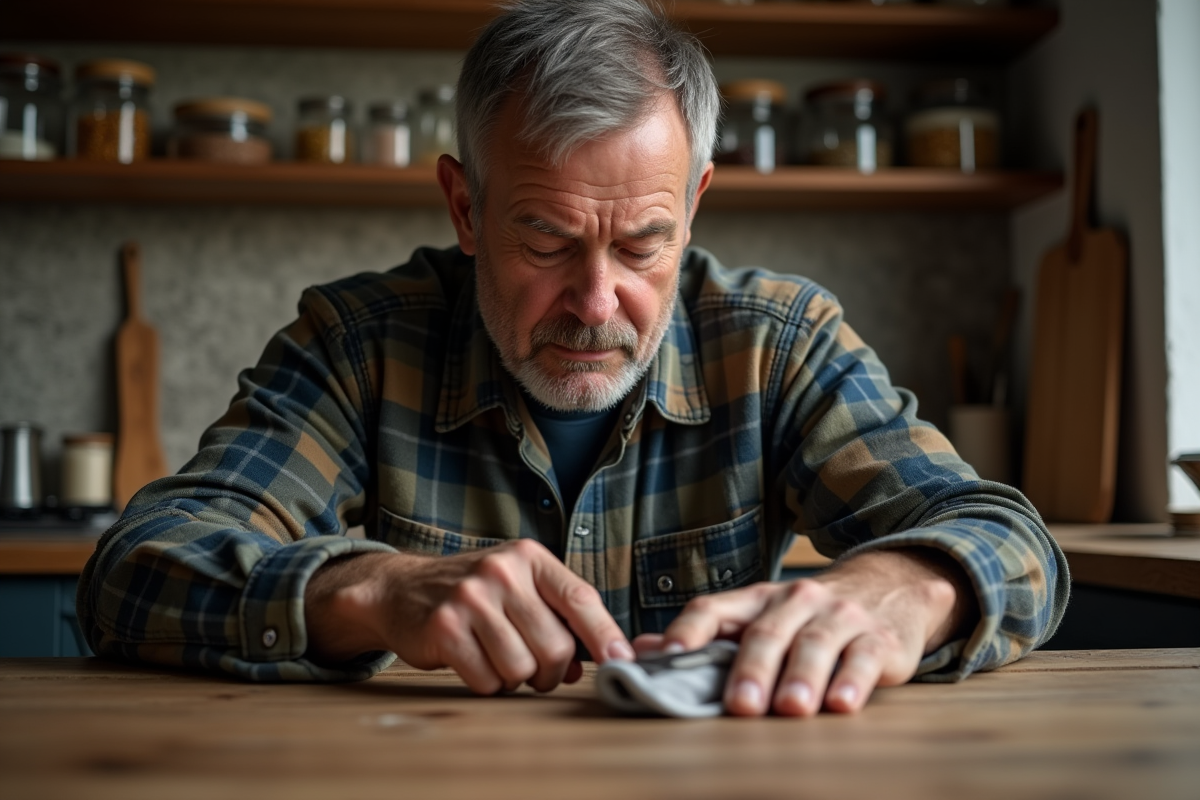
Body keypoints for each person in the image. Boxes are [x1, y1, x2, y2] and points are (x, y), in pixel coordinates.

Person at [78, 0, 1068, 718]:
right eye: (547, 242)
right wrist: (371, 591)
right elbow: (132, 572)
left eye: (643, 245)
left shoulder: (778, 341)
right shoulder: (358, 344)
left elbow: (1007, 536)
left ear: (694, 205)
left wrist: (910, 586)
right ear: (465, 207)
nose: (597, 304)